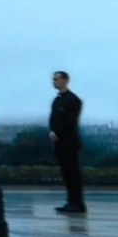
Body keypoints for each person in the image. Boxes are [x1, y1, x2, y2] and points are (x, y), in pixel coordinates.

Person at [49, 71, 86, 213]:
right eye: (53, 80)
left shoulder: (73, 100)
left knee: (73, 174)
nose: (54, 82)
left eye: (56, 79)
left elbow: (70, 121)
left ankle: (77, 203)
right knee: (66, 174)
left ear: (65, 80)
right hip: (59, 143)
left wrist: (57, 132)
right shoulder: (57, 100)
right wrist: (52, 131)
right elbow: (53, 119)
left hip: (69, 142)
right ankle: (71, 202)